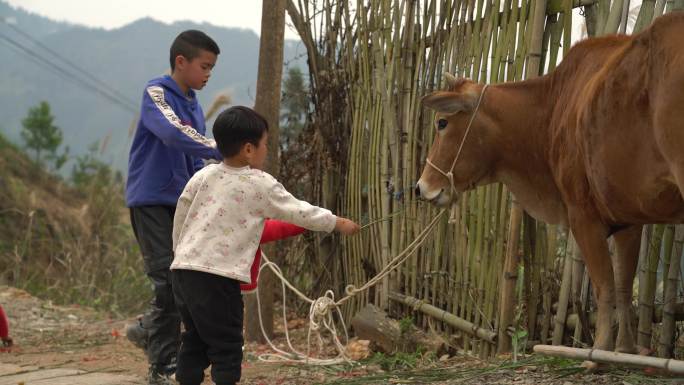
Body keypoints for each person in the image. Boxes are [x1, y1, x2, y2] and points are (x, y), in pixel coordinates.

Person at [170, 106, 360, 385]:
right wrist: (337, 223)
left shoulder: (203, 175)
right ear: (249, 149)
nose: (266, 150)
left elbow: (181, 215)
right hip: (218, 279)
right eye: (265, 144)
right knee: (227, 346)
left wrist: (180, 253)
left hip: (183, 272)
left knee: (195, 339)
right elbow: (299, 211)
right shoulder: (260, 184)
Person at [124, 29, 222, 385]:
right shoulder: (157, 93)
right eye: (204, 66)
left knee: (180, 280)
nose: (209, 74)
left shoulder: (195, 103)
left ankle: (145, 329)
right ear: (181, 62)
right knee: (166, 279)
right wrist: (217, 147)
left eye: (212, 68)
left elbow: (193, 158)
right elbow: (172, 132)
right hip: (150, 199)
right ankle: (161, 365)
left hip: (181, 203)